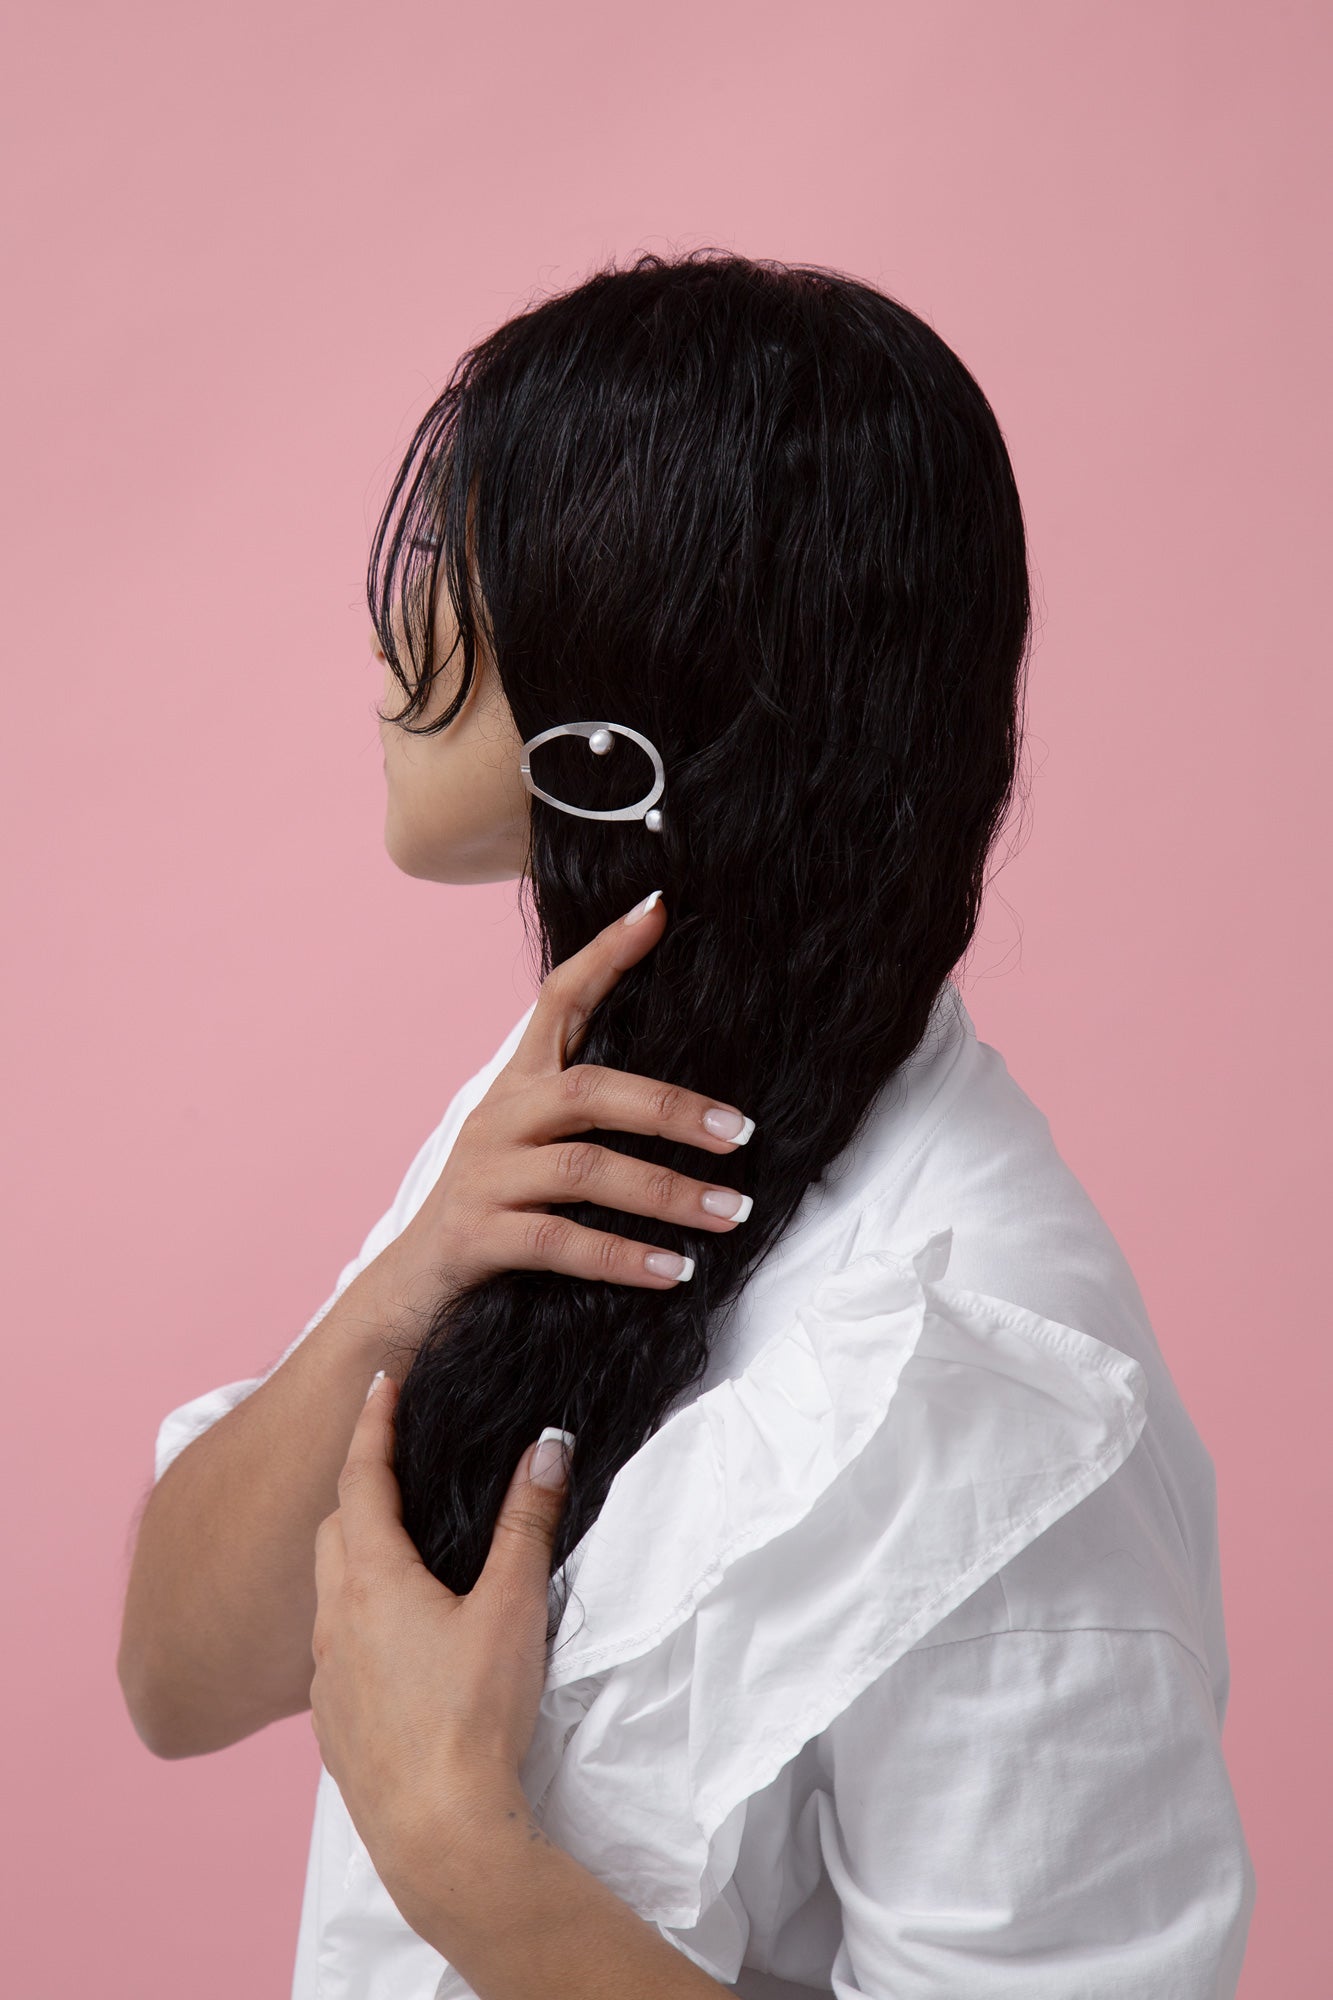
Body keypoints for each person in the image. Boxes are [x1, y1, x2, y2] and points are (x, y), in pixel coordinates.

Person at [118, 252, 1254, 1999]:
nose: (393, 630)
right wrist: (414, 1279)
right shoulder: (571, 1111)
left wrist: (457, 1850)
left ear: (637, 681)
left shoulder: (992, 1404)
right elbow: (181, 1679)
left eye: (464, 567)